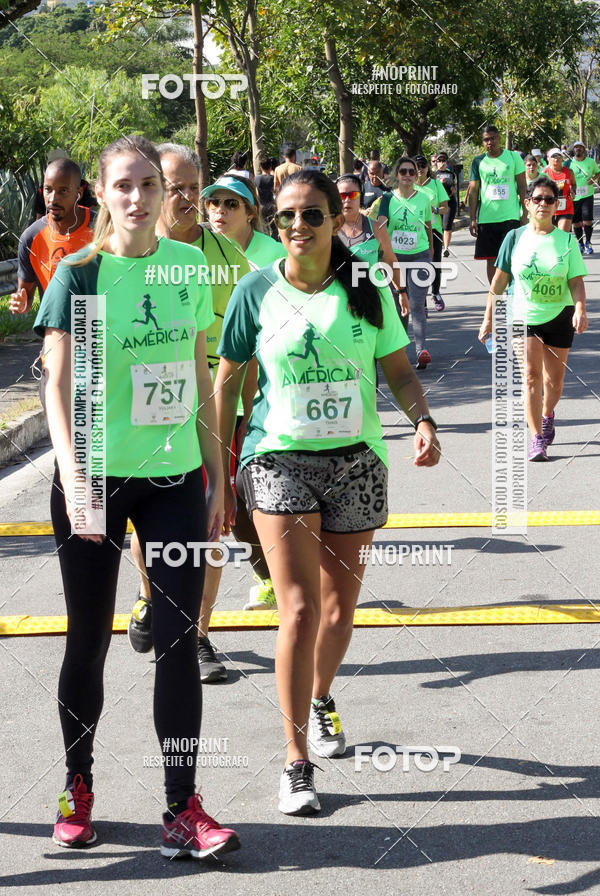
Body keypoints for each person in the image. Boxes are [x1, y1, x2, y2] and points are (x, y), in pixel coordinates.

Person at [34, 134, 240, 859]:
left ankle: (183, 808)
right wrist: (75, 477)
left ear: (164, 192)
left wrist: (218, 476)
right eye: (123, 185)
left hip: (175, 479)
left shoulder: (187, 268)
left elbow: (199, 374)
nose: (138, 198)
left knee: (179, 641)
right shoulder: (81, 275)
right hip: (94, 476)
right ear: (103, 194)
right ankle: (77, 785)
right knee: (87, 640)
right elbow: (54, 388)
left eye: (149, 185)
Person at [214, 169, 441, 815]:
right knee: (301, 611)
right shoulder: (254, 291)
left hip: (356, 464)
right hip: (279, 460)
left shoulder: (366, 290)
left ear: (333, 219)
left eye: (311, 215)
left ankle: (320, 700)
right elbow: (227, 382)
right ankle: (295, 762)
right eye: (286, 216)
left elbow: (397, 371)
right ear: (272, 222)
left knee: (340, 614)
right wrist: (221, 467)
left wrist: (421, 420)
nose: (298, 227)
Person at [125, 143, 269, 683]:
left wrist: (249, 416)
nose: (186, 197)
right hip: (146, 406)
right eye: (174, 186)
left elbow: (246, 346)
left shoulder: (231, 260)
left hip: (213, 403)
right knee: (152, 521)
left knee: (211, 522)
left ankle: (199, 636)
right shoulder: (131, 253)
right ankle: (147, 596)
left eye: (193, 187)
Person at [203, 172, 285, 610]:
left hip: (263, 392)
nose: (220, 211)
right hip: (211, 393)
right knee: (220, 499)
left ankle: (280, 575)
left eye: (231, 204)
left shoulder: (272, 254)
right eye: (213, 202)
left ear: (251, 210)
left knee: (251, 495)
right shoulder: (193, 254)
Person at [478, 175, 588, 461]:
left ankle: (548, 414)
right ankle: (537, 438)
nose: (543, 204)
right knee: (530, 376)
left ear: (556, 206)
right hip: (523, 315)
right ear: (527, 204)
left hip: (559, 315)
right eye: (537, 199)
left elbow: (575, 281)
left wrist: (580, 308)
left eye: (549, 200)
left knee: (554, 382)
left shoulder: (566, 241)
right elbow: (499, 284)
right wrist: (488, 319)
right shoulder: (513, 238)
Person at [371, 157, 434, 369]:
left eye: (412, 172)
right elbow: (377, 225)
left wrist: (431, 254)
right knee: (400, 307)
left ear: (417, 176)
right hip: (393, 259)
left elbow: (427, 228)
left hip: (420, 256)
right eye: (403, 171)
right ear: (397, 175)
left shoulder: (424, 199)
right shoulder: (387, 199)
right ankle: (400, 354)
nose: (408, 175)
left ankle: (421, 351)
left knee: (416, 303)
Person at [10, 158, 94, 316]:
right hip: (53, 326)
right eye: (48, 189)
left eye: (63, 191)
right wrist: (21, 303)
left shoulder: (102, 229)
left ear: (78, 193)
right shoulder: (31, 238)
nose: (53, 199)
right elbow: (25, 294)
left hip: (94, 325)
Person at [335, 172, 409, 325]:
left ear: (360, 197)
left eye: (352, 194)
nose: (347, 200)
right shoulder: (327, 231)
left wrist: (401, 292)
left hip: (373, 302)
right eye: (342, 196)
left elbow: (390, 260)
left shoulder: (375, 228)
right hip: (339, 306)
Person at [469, 124, 527, 284]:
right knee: (491, 259)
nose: (490, 142)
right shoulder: (478, 161)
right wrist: (472, 218)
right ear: (483, 142)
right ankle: (496, 295)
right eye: (486, 140)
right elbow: (473, 191)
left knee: (511, 258)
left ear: (499, 138)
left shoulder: (513, 157)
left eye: (493, 138)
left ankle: (511, 291)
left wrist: (525, 214)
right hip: (487, 219)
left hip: (511, 216)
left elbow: (522, 186)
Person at [202, 172, 285, 271]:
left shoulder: (277, 255)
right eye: (214, 202)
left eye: (231, 204)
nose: (220, 209)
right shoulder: (199, 253)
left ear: (251, 212)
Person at [416, 155, 449, 310]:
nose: (420, 169)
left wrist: (434, 210)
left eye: (423, 165)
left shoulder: (436, 185)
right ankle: (421, 301)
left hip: (434, 229)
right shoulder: (409, 187)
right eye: (417, 166)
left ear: (428, 168)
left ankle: (435, 293)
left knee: (435, 263)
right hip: (415, 231)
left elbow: (445, 207)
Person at [567, 140, 599, 254]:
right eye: (576, 147)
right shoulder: (569, 163)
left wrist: (593, 179)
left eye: (580, 147)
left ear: (584, 149)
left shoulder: (590, 161)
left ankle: (588, 242)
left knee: (588, 221)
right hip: (574, 197)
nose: (578, 149)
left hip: (588, 195)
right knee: (576, 223)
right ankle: (580, 243)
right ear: (574, 150)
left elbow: (598, 172)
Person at [543, 148, 576, 233]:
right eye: (553, 156)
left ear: (562, 158)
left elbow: (573, 184)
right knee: (551, 238)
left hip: (566, 208)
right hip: (549, 209)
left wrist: (573, 191)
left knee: (562, 235)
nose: (556, 158)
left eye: (558, 156)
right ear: (548, 159)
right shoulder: (544, 173)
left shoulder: (569, 171)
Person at [433, 152, 457, 256]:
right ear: (436, 162)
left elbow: (454, 188)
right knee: (439, 226)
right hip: (437, 203)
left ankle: (446, 248)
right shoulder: (433, 175)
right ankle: (438, 245)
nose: (441, 163)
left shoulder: (451, 174)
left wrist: (452, 189)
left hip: (449, 201)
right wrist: (439, 183)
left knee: (447, 226)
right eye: (439, 161)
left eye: (443, 161)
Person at [255, 154, 276, 236]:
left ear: (261, 167)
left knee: (263, 227)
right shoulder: (273, 178)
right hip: (271, 204)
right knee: (273, 227)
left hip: (261, 205)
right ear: (270, 167)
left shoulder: (256, 178)